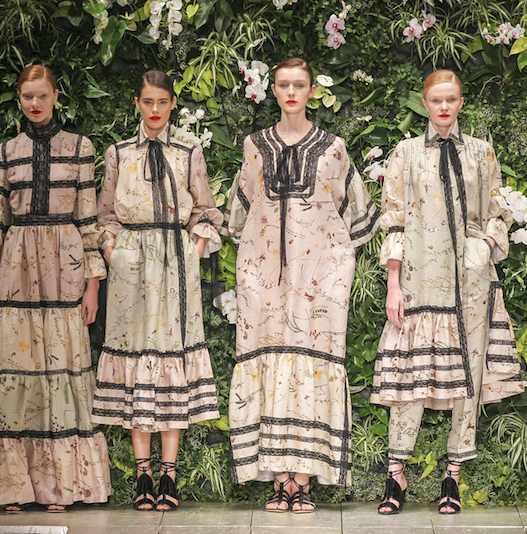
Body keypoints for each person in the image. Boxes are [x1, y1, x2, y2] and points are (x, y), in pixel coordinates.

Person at [0, 65, 111, 513]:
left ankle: (59, 486)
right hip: (17, 267)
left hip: (66, 263)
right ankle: (15, 487)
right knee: (15, 370)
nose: (35, 104)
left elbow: (88, 221)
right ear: (19, 99)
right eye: (27, 97)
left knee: (63, 367)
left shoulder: (81, 148)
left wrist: (93, 284)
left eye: (42, 96)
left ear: (57, 95)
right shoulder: (6, 152)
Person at [223, 57, 379, 513]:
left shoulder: (333, 148)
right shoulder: (256, 146)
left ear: (311, 91)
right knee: (269, 361)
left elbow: (358, 214)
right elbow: (239, 213)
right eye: (284, 85)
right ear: (273, 90)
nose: (291, 92)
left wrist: (330, 260)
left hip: (319, 282)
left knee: (312, 364)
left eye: (300, 85)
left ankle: (304, 479)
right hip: (265, 277)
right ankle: (278, 480)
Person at [371, 69, 523, 515]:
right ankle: (395, 476)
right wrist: (394, 284)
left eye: (451, 99)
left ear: (460, 102)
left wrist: (486, 246)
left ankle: (452, 477)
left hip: (472, 284)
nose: (443, 107)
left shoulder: (481, 152)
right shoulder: (405, 153)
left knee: (468, 381)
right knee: (412, 381)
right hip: (420, 280)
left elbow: (498, 209)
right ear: (424, 102)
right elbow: (394, 218)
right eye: (436, 100)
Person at [92, 70, 223, 511]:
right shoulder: (118, 153)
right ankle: (142, 475)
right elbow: (104, 213)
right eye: (147, 102)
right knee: (136, 363)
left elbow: (205, 209)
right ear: (136, 103)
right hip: (131, 260)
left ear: (171, 104)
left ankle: (169, 475)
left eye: (161, 102)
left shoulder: (188, 149)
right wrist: (114, 253)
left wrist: (195, 247)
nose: (154, 110)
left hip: (175, 261)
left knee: (172, 360)